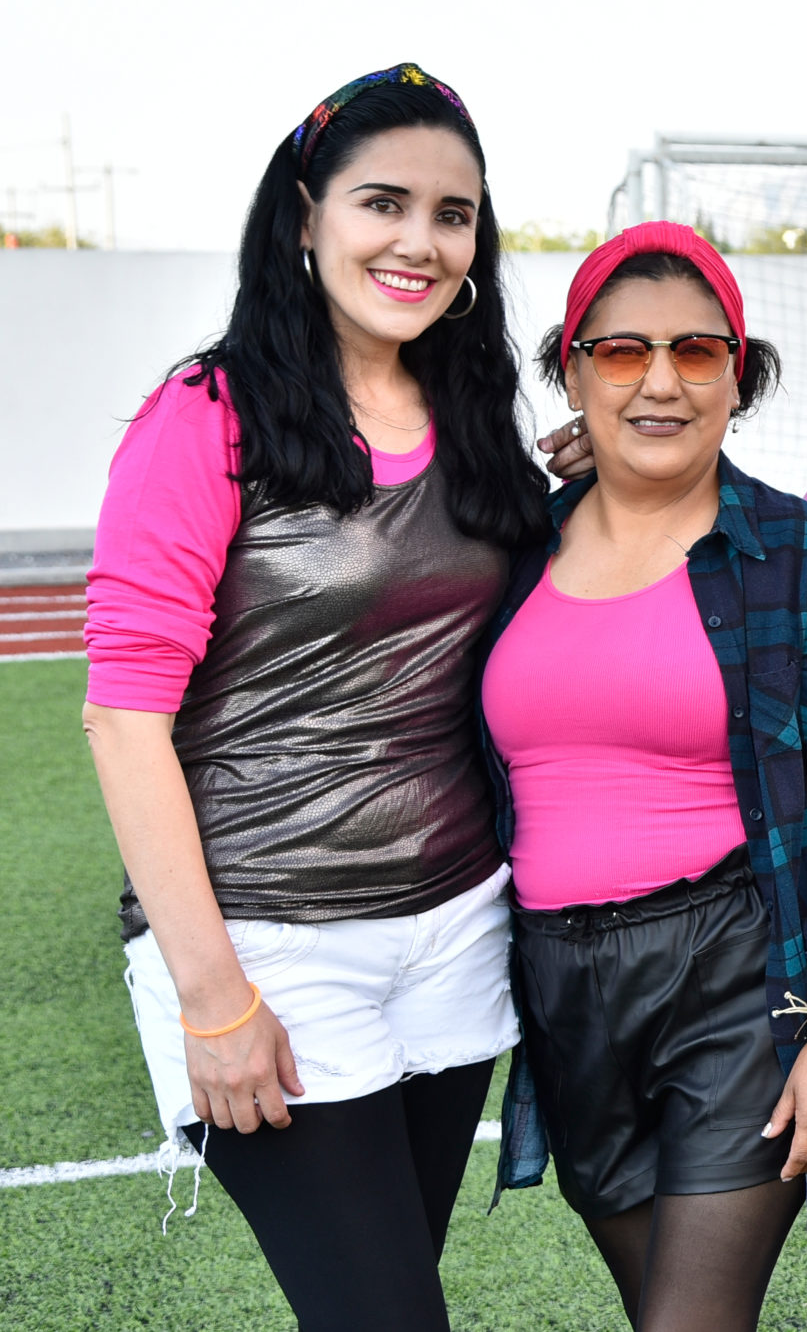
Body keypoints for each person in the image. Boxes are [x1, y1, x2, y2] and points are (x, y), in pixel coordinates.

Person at [81, 64, 548, 1332]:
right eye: (381, 202)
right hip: (272, 948)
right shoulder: (208, 413)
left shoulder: (474, 411)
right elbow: (122, 719)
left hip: (456, 929)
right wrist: (213, 997)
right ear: (303, 212)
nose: (420, 240)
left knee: (389, 1301)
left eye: (454, 215)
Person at [481, 223, 807, 1330]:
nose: (661, 381)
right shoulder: (506, 544)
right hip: (562, 983)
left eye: (697, 351)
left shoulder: (806, 556)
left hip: (737, 975)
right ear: (573, 371)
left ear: (740, 373)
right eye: (622, 353)